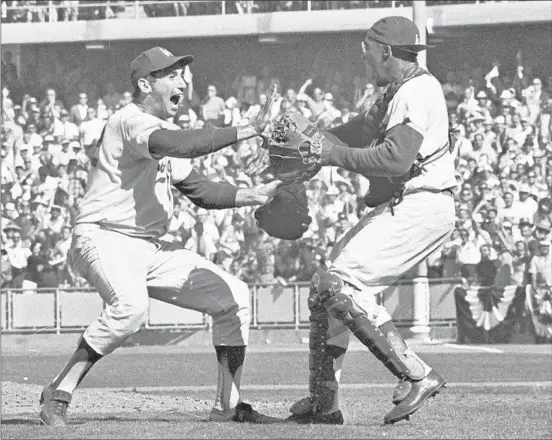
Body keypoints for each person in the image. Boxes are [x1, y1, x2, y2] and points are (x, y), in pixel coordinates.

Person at [38, 46, 283, 428]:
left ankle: (228, 406)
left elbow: (201, 191)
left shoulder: (164, 132)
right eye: (171, 75)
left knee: (233, 296)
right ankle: (58, 390)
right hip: (104, 237)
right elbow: (178, 145)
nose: (182, 80)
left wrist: (252, 195)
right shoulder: (130, 120)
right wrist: (249, 128)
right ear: (144, 84)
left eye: (182, 73)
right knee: (130, 309)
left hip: (148, 248)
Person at [287, 17, 456, 426]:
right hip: (409, 201)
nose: (364, 60)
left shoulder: (417, 89)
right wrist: (310, 142)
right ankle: (324, 405)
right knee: (324, 288)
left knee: (339, 284)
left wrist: (328, 155)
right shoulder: (398, 90)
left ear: (384, 50)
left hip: (422, 203)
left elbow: (395, 158)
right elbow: (356, 133)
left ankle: (416, 374)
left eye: (367, 51)